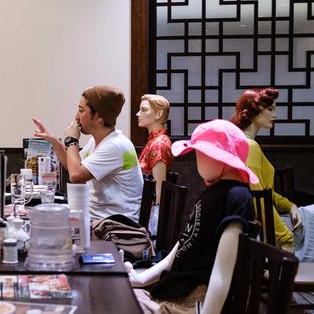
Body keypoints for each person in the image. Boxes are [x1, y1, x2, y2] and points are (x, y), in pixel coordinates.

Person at [127, 119, 256, 313]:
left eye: (199, 153)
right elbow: (181, 249)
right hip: (172, 292)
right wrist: (140, 279)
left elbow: (222, 272)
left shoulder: (237, 197)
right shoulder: (214, 192)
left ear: (219, 157)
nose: (196, 159)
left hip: (191, 300)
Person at [33, 85, 143, 222]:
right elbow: (72, 164)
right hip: (97, 219)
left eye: (81, 110)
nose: (76, 117)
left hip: (116, 225)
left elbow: (76, 175)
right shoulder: (97, 142)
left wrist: (71, 140)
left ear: (99, 117)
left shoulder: (115, 146)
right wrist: (53, 140)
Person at [230, 87, 301, 252]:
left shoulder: (241, 142)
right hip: (256, 225)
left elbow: (263, 190)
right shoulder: (249, 146)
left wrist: (290, 205)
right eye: (270, 109)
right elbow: (258, 196)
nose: (274, 114)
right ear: (253, 111)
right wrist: (284, 236)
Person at [136, 94, 173, 235]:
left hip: (151, 213)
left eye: (144, 110)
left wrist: (154, 221)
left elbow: (159, 189)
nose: (138, 114)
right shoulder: (153, 141)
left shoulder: (159, 144)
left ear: (158, 113)